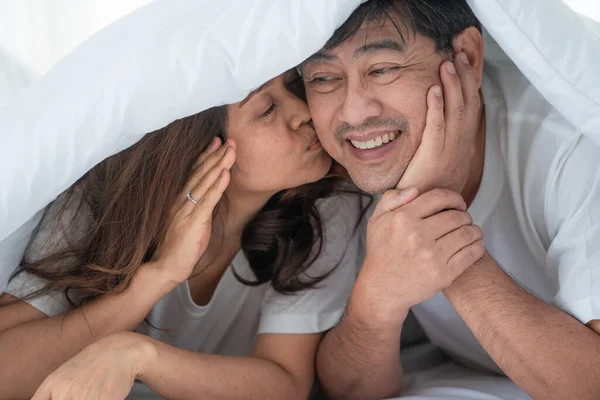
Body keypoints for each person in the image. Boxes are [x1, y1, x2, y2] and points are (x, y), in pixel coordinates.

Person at [0, 69, 367, 399]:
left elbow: (287, 383)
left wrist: (135, 354)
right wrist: (158, 276)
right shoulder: (99, 203)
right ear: (200, 146)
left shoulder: (324, 201)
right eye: (266, 109)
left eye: (292, 84)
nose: (304, 112)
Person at [302, 0, 600, 399]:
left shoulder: (572, 142)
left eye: (383, 69)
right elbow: (350, 391)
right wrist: (376, 299)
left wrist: (434, 214)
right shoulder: (335, 168)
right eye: (323, 78)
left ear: (467, 57)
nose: (354, 114)